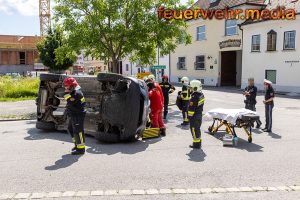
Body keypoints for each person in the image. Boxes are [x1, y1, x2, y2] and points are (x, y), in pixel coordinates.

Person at [63, 77, 87, 155]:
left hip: (78, 115)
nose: (65, 88)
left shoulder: (77, 93)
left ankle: (81, 149)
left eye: (67, 86)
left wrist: (66, 94)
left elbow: (70, 101)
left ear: (72, 86)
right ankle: (77, 144)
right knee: (70, 129)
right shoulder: (73, 92)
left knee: (78, 131)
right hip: (73, 114)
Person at [187, 80, 205, 149]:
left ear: (195, 88)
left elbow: (191, 109)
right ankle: (199, 142)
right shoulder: (201, 95)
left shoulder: (194, 97)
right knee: (197, 130)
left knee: (194, 130)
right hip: (199, 115)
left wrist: (189, 117)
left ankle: (196, 144)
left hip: (194, 117)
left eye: (191, 88)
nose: (190, 89)